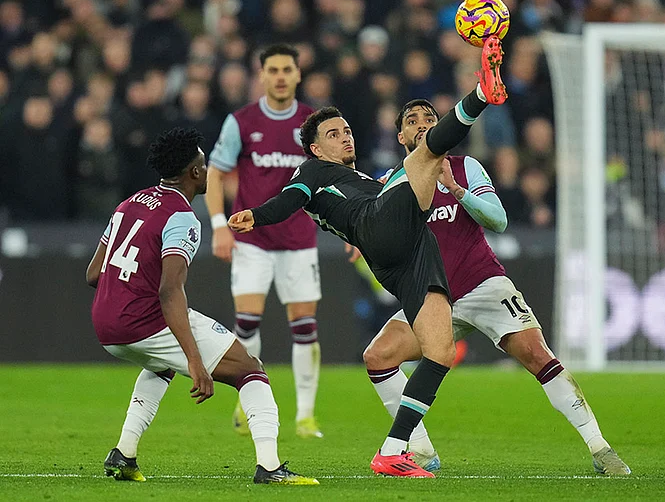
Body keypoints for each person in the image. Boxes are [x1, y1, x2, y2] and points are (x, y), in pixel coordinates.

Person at [228, 35, 508, 477]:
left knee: (439, 352)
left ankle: (393, 451)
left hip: (411, 256)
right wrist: (257, 216)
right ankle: (480, 94)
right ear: (316, 148)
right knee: (427, 154)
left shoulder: (364, 178)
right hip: (378, 225)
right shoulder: (312, 171)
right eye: (333, 135)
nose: (345, 137)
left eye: (346, 131)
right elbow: (288, 200)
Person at [356, 100, 632, 476]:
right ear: (401, 136)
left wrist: (457, 191)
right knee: (379, 356)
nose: (421, 124)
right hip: (432, 296)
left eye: (429, 119)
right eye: (412, 120)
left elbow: (498, 220)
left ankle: (600, 448)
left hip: (482, 283)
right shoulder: (392, 183)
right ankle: (419, 448)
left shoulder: (465, 167)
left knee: (536, 354)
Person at [86, 127, 318, 486]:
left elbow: (93, 274)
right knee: (250, 369)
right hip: (143, 320)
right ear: (194, 172)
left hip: (105, 323)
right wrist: (195, 361)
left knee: (161, 365)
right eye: (204, 165)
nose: (208, 171)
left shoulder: (129, 203)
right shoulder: (181, 217)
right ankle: (270, 467)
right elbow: (170, 291)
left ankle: (124, 454)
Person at [205, 43, 324, 439]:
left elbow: (338, 174)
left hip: (299, 238)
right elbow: (215, 173)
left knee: (304, 327)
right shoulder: (241, 122)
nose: (280, 77)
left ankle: (305, 416)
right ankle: (247, 399)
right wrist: (219, 225)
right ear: (262, 76)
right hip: (251, 239)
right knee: (247, 322)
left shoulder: (313, 122)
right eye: (273, 70)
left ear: (298, 74)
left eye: (287, 69)